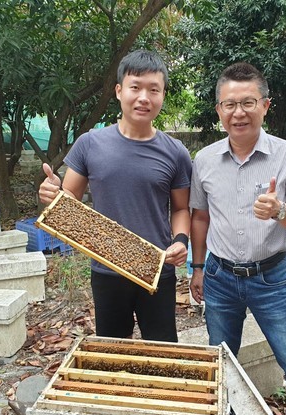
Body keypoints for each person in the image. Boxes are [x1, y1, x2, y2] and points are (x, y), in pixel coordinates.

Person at [189, 62, 286, 415]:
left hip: (271, 278)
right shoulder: (205, 161)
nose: (239, 112)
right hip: (219, 277)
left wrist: (280, 210)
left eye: (248, 102)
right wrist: (197, 268)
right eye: (229, 104)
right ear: (218, 110)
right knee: (223, 360)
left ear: (265, 105)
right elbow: (200, 218)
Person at [39, 49, 191, 343]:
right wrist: (55, 193)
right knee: (112, 349)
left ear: (162, 96)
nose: (144, 97)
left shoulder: (176, 152)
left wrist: (180, 241)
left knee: (162, 349)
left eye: (154, 90)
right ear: (119, 91)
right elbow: (70, 197)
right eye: (135, 87)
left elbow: (181, 209)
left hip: (157, 270)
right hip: (106, 269)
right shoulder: (89, 144)